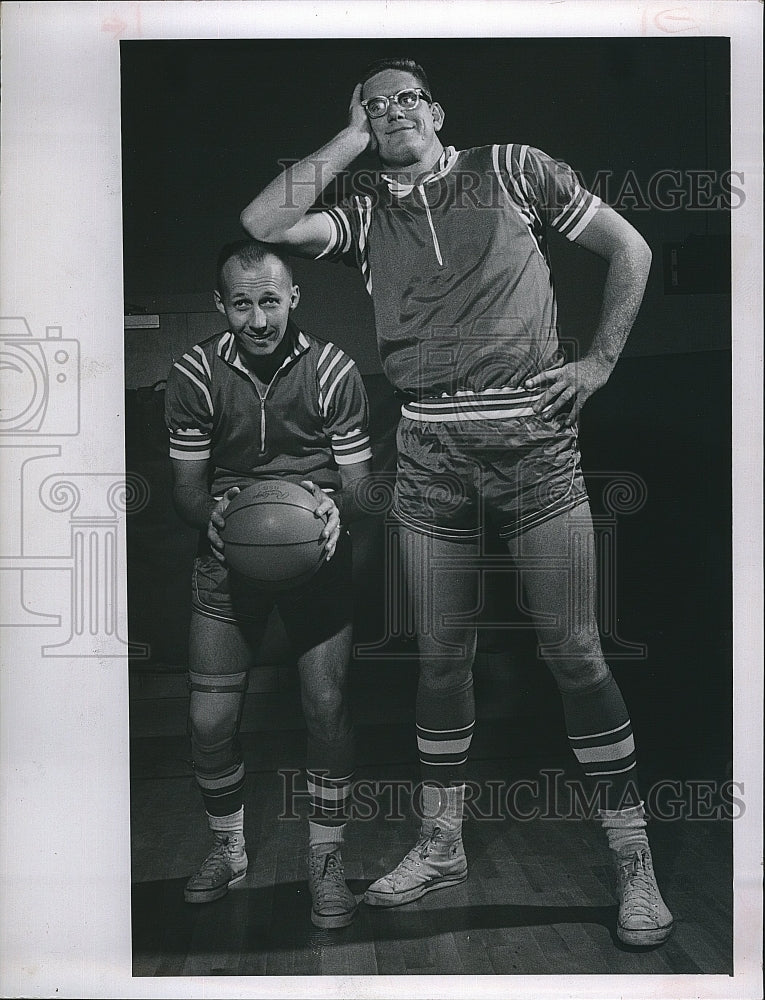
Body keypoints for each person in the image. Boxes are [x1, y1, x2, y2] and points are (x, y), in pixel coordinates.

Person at [239, 57, 673, 947]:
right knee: (439, 660)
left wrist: (597, 363)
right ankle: (441, 844)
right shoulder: (363, 210)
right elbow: (263, 221)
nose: (392, 108)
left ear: (438, 110)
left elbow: (630, 247)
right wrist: (354, 137)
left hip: (533, 442)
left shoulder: (512, 165)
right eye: (373, 101)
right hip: (430, 446)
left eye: (405, 97)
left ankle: (635, 863)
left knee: (576, 653)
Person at [164, 239, 372, 929]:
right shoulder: (193, 373)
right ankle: (229, 849)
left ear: (294, 299)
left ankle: (325, 862)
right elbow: (187, 493)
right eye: (243, 303)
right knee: (209, 719)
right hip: (228, 554)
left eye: (271, 300)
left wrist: (337, 508)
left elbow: (360, 483)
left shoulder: (334, 369)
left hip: (315, 549)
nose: (258, 318)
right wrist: (215, 516)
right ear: (222, 306)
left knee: (326, 707)